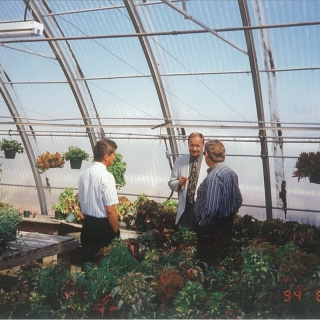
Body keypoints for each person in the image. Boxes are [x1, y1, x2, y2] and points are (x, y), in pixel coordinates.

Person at [194, 139, 242, 264]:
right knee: (223, 260)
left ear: (207, 155)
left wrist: (201, 225)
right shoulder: (230, 173)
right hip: (227, 224)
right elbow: (238, 200)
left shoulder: (214, 177)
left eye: (204, 153)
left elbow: (211, 209)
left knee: (208, 263)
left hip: (213, 228)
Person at [78, 138, 120, 266]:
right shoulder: (106, 176)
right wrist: (116, 232)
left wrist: (89, 220)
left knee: (87, 268)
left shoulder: (83, 174)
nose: (114, 158)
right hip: (103, 230)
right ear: (106, 156)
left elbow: (81, 203)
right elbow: (110, 210)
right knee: (103, 269)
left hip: (87, 227)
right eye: (113, 155)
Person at [168, 132, 208, 231]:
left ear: (203, 145)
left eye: (197, 146)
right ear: (188, 144)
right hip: (185, 210)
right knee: (182, 239)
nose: (194, 149)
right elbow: (171, 183)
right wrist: (179, 183)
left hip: (201, 212)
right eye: (192, 145)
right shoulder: (180, 161)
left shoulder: (209, 161)